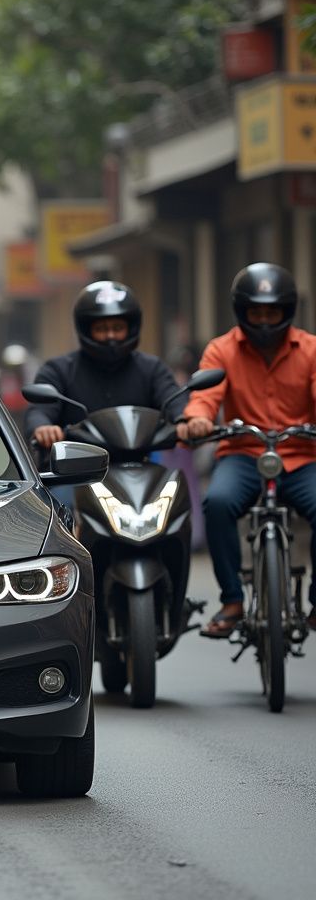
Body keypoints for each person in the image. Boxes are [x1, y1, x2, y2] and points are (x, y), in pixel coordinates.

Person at [177, 262, 316, 638]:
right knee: (217, 504)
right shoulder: (221, 350)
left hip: (302, 457)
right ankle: (233, 601)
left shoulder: (311, 350)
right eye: (257, 312)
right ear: (243, 311)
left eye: (273, 312)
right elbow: (204, 397)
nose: (265, 321)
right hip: (242, 455)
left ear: (287, 311)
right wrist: (198, 419)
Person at [26, 279, 186, 458]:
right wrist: (42, 427)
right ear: (86, 330)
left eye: (118, 328)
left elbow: (173, 398)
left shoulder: (151, 368)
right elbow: (39, 410)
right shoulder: (58, 370)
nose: (110, 335)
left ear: (131, 328)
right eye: (101, 328)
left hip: (139, 466)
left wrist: (186, 420)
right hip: (73, 473)